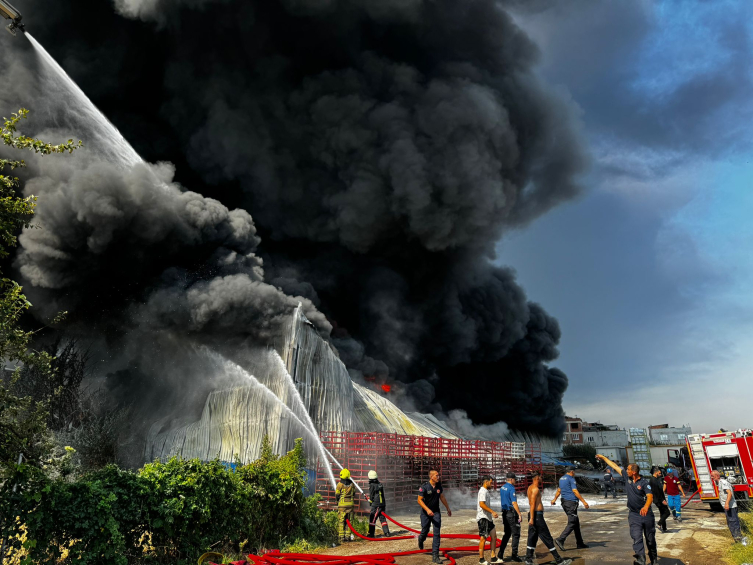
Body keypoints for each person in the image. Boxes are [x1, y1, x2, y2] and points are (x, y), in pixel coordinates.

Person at [597, 454, 657, 565]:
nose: (626, 470)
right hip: (634, 515)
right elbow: (615, 466)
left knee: (650, 539)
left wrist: (646, 506)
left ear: (634, 472)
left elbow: (650, 496)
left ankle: (654, 560)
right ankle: (641, 559)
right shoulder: (627, 477)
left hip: (646, 514)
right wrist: (604, 458)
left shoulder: (644, 482)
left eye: (628, 469)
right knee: (636, 536)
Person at [524, 471, 573, 565]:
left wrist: (531, 517)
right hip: (536, 516)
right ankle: (559, 560)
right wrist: (532, 519)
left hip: (533, 515)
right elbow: (533, 504)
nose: (542, 479)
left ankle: (528, 559)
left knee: (532, 537)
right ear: (537, 477)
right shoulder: (535, 489)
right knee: (547, 538)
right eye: (541, 477)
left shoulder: (530, 488)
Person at [418, 469, 452, 564]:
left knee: (437, 533)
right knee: (425, 529)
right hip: (425, 513)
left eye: (438, 475)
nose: (438, 477)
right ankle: (421, 539)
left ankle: (435, 555)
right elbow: (419, 500)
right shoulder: (424, 487)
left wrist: (448, 508)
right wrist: (427, 510)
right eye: (436, 475)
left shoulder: (439, 486)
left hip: (436, 512)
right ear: (431, 476)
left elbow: (442, 497)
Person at [551, 469, 590, 550]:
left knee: (576, 523)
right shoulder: (571, 479)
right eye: (574, 472)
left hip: (564, 502)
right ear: (571, 471)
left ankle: (580, 543)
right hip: (571, 503)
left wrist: (554, 499)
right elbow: (575, 491)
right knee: (572, 522)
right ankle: (561, 539)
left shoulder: (561, 479)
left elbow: (559, 490)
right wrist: (584, 502)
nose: (574, 473)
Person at [711, 470, 742, 543]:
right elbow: (730, 489)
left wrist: (727, 503)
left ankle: (739, 540)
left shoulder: (723, 483)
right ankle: (737, 540)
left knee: (733, 523)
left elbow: (729, 493)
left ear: (717, 476)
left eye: (713, 476)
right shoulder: (722, 483)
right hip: (729, 506)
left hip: (731, 507)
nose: (711, 477)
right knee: (731, 523)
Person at [499, 471, 523, 562]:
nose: (515, 481)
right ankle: (514, 555)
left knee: (507, 534)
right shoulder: (511, 488)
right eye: (515, 480)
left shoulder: (502, 487)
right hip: (511, 514)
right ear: (512, 479)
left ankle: (500, 554)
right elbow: (514, 502)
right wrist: (519, 514)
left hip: (504, 513)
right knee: (516, 534)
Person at [477, 475, 500, 565]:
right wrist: (492, 512)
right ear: (486, 482)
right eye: (491, 482)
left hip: (488, 518)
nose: (492, 484)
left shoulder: (486, 491)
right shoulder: (482, 491)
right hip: (483, 518)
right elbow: (482, 504)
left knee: (494, 537)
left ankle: (493, 557)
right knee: (483, 538)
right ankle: (481, 559)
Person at [367, 470, 391, 538]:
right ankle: (387, 533)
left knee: (372, 519)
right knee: (382, 518)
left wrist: (370, 500)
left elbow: (372, 495)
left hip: (376, 505)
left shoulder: (372, 485)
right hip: (382, 504)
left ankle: (371, 534)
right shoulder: (380, 484)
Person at [335, 468, 356, 543]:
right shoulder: (352, 484)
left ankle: (341, 537)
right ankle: (348, 536)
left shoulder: (339, 484)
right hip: (350, 505)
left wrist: (337, 501)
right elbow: (354, 493)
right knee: (349, 521)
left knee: (341, 521)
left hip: (342, 505)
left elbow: (337, 495)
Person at [649, 468, 670, 533]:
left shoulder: (657, 479)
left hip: (659, 499)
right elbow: (657, 492)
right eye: (659, 473)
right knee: (667, 512)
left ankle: (664, 528)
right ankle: (659, 523)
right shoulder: (653, 480)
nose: (660, 475)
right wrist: (662, 500)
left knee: (662, 513)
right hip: (658, 500)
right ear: (655, 473)